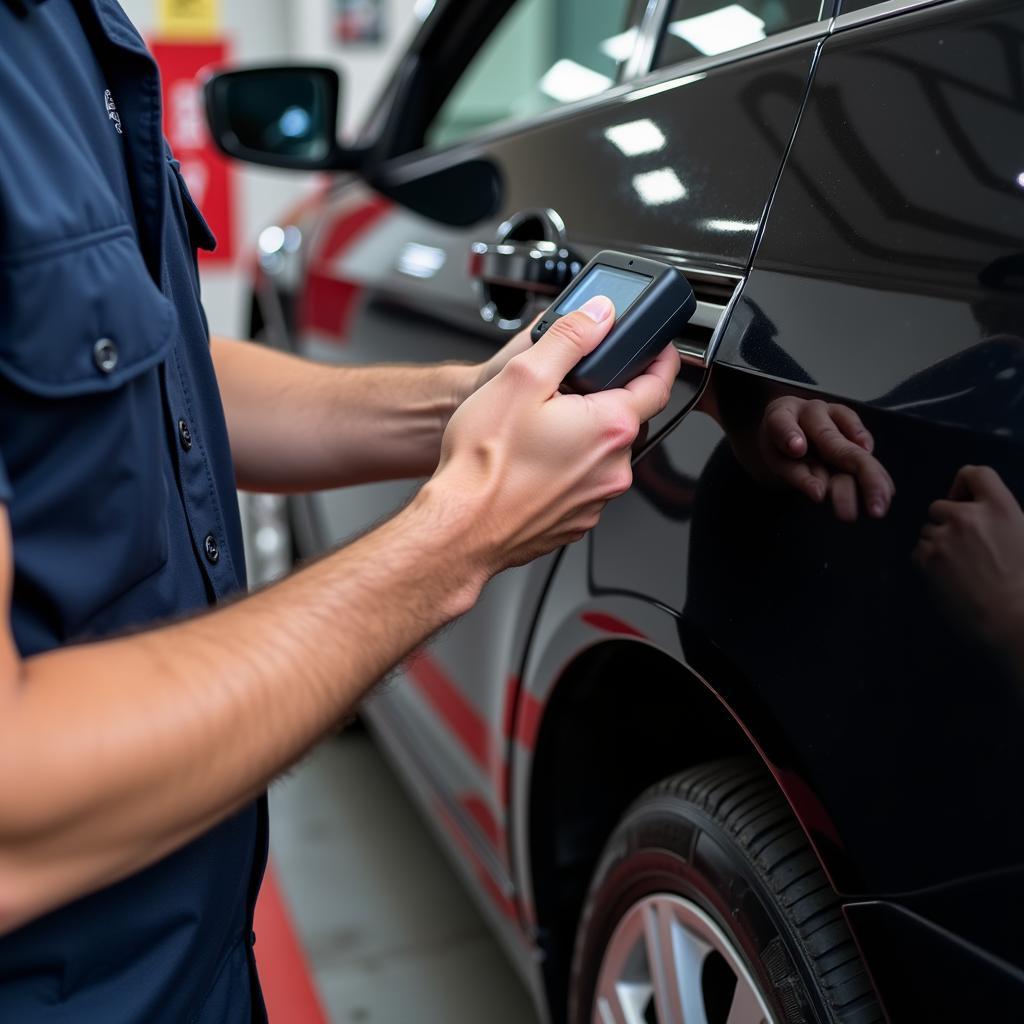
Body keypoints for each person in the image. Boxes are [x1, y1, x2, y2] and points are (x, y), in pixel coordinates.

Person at [0, 1, 676, 1020]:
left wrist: (468, 402)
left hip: (190, 944)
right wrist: (458, 533)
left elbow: (153, 372)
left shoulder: (66, 31)